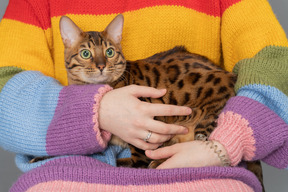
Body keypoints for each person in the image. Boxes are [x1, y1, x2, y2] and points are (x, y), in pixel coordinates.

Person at [0, 0, 287, 191]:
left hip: (206, 160)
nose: (100, 64)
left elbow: (275, 61)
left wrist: (225, 144)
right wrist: (95, 110)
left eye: (108, 54)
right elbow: (4, 88)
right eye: (88, 55)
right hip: (70, 171)